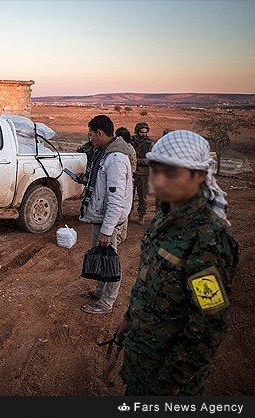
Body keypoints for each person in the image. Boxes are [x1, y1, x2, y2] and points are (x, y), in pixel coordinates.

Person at [114, 130, 239, 395]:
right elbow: (149, 281)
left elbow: (208, 325)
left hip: (166, 381)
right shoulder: (163, 219)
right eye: (157, 170)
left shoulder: (208, 240)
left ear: (199, 176)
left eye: (171, 173)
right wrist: (129, 318)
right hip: (141, 359)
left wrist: (170, 382)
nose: (159, 180)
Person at [77, 115, 133, 314]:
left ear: (100, 133)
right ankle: (100, 291)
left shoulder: (116, 159)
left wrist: (107, 231)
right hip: (100, 217)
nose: (90, 138)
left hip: (109, 221)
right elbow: (102, 185)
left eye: (91, 134)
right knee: (101, 256)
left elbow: (116, 199)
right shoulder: (104, 154)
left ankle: (107, 301)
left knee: (110, 259)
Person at [114, 126, 137, 242]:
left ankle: (120, 235)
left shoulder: (128, 149)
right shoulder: (121, 148)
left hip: (125, 183)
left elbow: (133, 166)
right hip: (122, 182)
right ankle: (120, 234)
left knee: (122, 208)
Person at [130, 122, 153, 225]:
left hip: (143, 174)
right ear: (137, 131)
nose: (143, 134)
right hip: (132, 173)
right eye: (141, 132)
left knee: (142, 197)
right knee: (128, 196)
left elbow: (152, 159)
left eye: (145, 132)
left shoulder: (149, 143)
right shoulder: (130, 141)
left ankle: (141, 216)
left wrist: (140, 161)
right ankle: (128, 214)